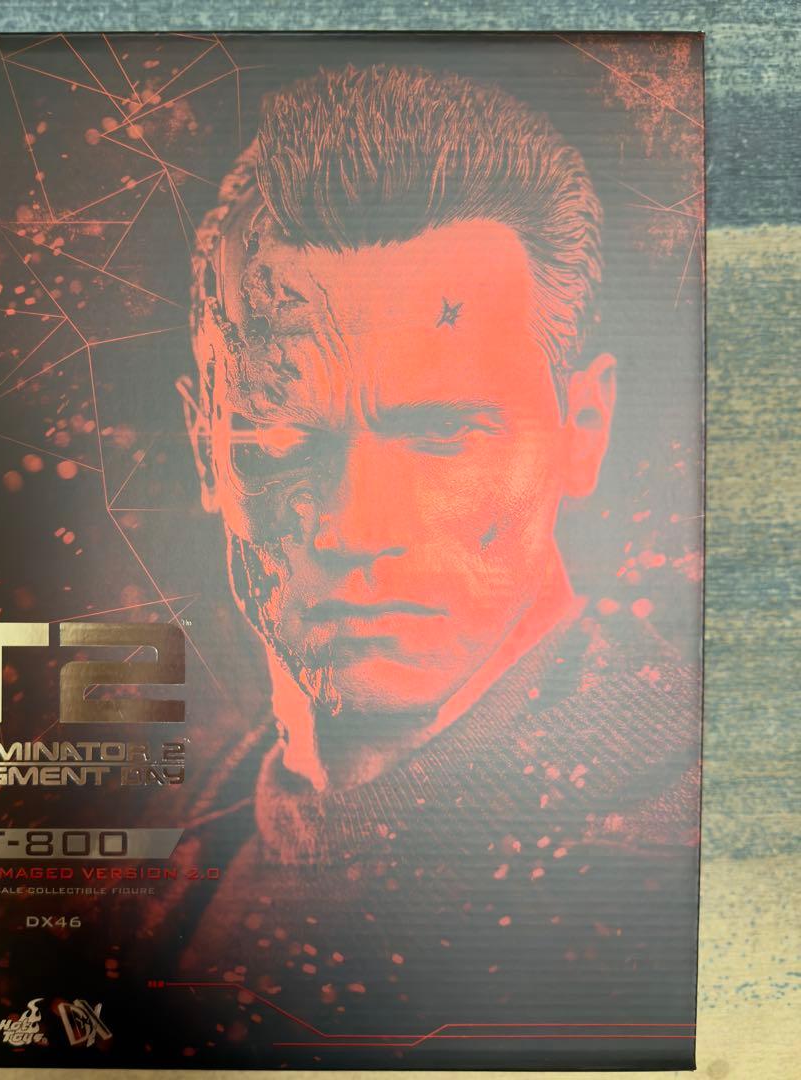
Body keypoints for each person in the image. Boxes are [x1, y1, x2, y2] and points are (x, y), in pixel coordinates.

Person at [146, 63, 699, 1062]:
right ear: (204, 449)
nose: (359, 525)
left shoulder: (676, 855)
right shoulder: (192, 844)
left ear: (583, 429)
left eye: (445, 433)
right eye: (280, 439)